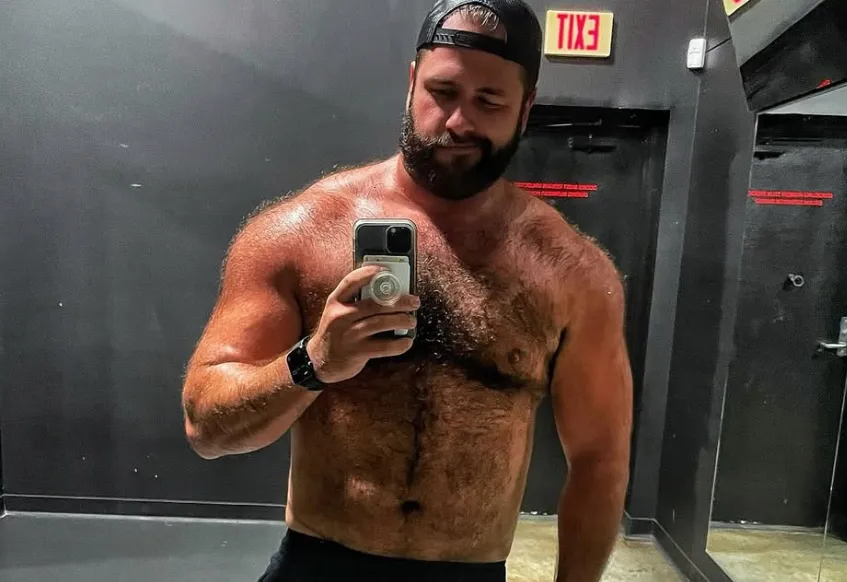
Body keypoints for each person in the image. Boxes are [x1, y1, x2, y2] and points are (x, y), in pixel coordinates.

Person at [181, 0, 633, 580]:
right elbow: (206, 428)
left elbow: (599, 461)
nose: (459, 121)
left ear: (526, 110)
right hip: (319, 563)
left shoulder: (572, 272)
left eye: (489, 101)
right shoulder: (298, 234)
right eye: (443, 92)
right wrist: (315, 361)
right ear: (412, 82)